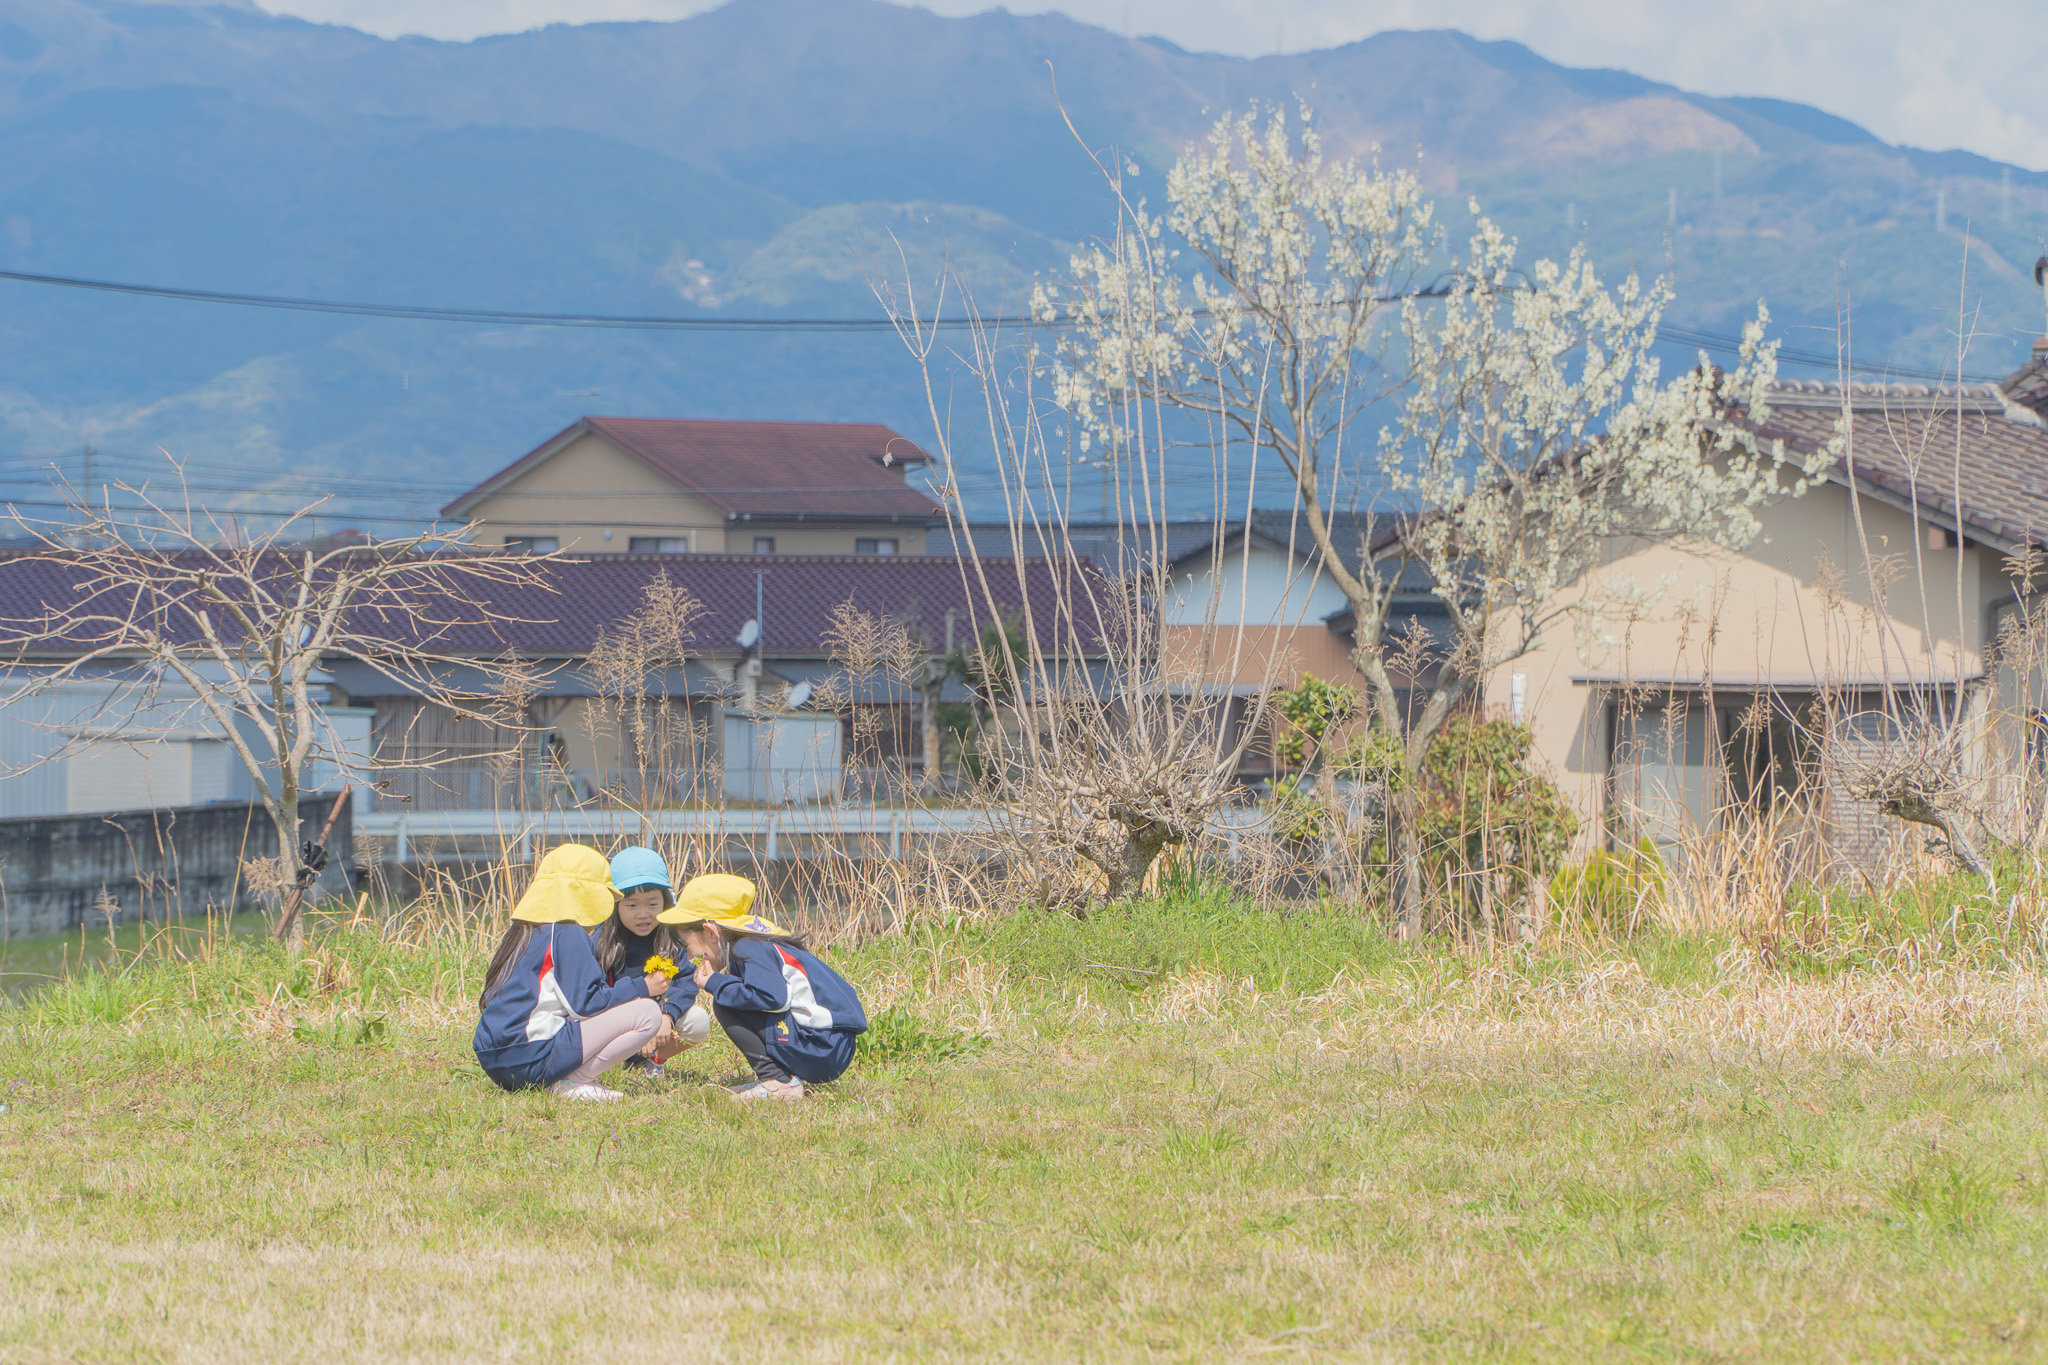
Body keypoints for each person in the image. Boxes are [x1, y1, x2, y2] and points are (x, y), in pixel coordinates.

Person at [472, 843, 675, 1102]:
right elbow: (587, 1004)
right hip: (531, 1058)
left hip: (496, 1063)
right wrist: (643, 987)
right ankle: (573, 1081)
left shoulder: (522, 931)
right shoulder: (567, 932)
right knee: (648, 1013)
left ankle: (562, 1078)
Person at [660, 872, 868, 1102]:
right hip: (829, 1044)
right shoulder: (756, 944)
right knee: (730, 992)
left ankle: (778, 1082)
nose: (689, 954)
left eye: (687, 944)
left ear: (710, 932)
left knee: (724, 1000)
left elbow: (773, 998)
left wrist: (715, 982)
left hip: (821, 1047)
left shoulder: (748, 948)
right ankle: (779, 1077)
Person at [594, 846, 713, 1076]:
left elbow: (685, 980)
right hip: (613, 1024)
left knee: (698, 1021)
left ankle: (652, 1061)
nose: (643, 914)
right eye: (632, 905)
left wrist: (667, 1015)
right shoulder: (603, 941)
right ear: (615, 904)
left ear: (666, 902)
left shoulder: (671, 937)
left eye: (652, 904)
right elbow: (592, 994)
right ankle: (606, 1062)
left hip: (658, 1022)